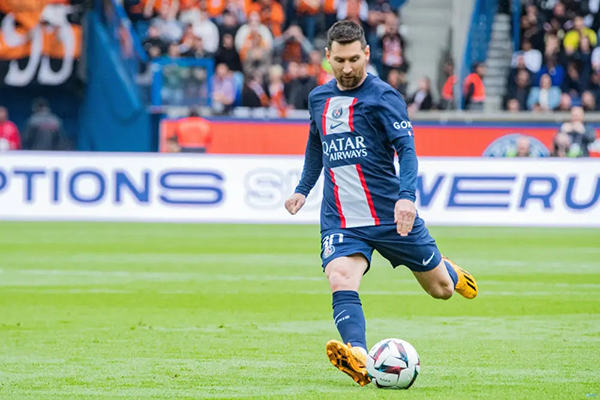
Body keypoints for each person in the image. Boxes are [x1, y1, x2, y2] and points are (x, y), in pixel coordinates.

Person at [283, 21, 478, 387]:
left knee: (441, 290)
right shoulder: (318, 98)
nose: (347, 68)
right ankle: (357, 355)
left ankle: (447, 270)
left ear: (367, 54)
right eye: (339, 60)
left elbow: (407, 149)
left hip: (390, 214)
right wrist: (302, 189)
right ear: (327, 57)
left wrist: (407, 198)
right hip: (341, 217)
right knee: (340, 277)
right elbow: (316, 144)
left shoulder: (384, 97)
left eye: (354, 59)